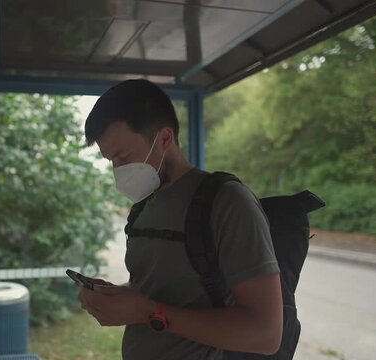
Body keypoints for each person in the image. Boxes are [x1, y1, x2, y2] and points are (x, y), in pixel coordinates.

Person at [78, 79, 283, 360]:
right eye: (111, 159)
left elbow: (266, 334)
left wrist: (147, 311)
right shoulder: (143, 204)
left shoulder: (227, 202)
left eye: (123, 156)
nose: (118, 170)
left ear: (164, 138)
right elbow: (160, 292)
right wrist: (117, 297)